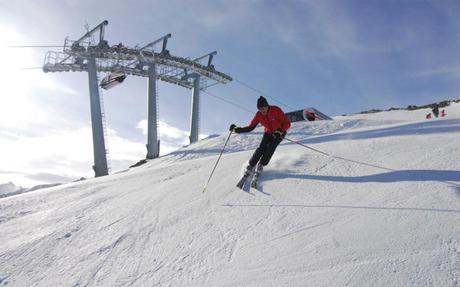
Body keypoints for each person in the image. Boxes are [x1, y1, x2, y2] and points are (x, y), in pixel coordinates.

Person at [229, 96, 291, 185]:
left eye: (264, 108)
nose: (262, 111)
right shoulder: (258, 115)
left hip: (279, 133)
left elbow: (287, 123)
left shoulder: (276, 110)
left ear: (267, 106)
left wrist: (280, 131)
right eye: (260, 109)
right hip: (268, 133)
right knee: (261, 148)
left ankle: (261, 165)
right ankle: (251, 165)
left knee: (270, 148)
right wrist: (237, 130)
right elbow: (250, 127)